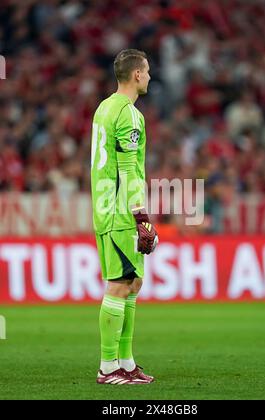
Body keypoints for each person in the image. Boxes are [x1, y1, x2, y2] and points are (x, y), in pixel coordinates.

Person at [91, 49, 158, 385]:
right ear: (136, 75)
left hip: (105, 207)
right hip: (120, 210)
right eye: (146, 72)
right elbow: (129, 168)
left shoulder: (104, 108)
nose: (148, 76)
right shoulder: (130, 114)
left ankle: (127, 363)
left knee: (133, 283)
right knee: (119, 285)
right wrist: (140, 215)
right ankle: (107, 366)